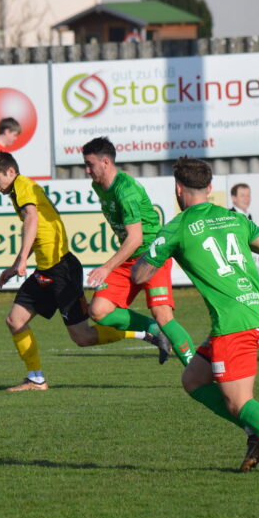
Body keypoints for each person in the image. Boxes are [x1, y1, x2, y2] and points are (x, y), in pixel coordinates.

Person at [132, 157, 259, 474]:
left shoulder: (177, 227)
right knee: (193, 379)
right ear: (209, 188)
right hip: (253, 314)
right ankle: (255, 433)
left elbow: (140, 275)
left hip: (233, 326)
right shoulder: (233, 218)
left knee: (238, 402)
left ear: (177, 190)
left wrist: (151, 250)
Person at [0, 151, 168, 391]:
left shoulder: (22, 185)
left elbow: (31, 218)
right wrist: (17, 263)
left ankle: (144, 332)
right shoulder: (19, 191)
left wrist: (20, 261)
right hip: (45, 271)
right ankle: (36, 378)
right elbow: (40, 227)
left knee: (83, 337)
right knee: (14, 320)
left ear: (11, 171)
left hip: (62, 270)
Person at [81, 137, 192, 366]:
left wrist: (106, 267)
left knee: (163, 315)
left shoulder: (126, 190)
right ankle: (154, 330)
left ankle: (197, 371)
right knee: (99, 311)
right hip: (130, 258)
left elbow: (135, 238)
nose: (87, 169)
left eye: (90, 164)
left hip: (153, 255)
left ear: (105, 162)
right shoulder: (98, 186)